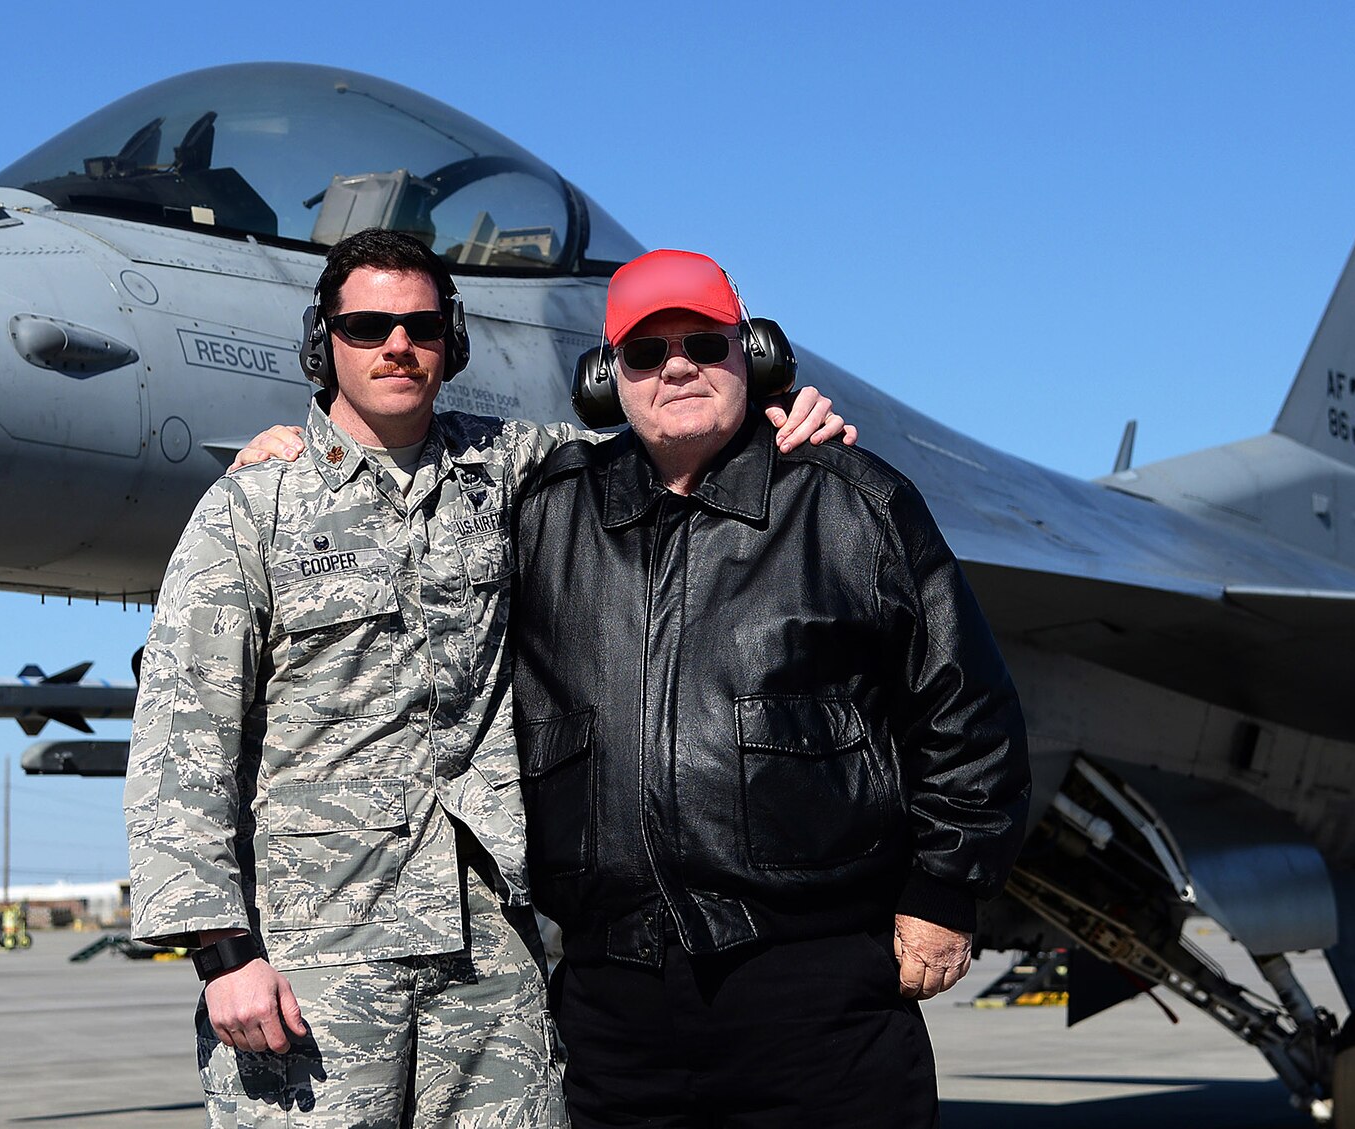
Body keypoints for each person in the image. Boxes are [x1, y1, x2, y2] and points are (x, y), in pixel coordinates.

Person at [126, 229, 852, 1129]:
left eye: (422, 327)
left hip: (489, 951)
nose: (398, 346)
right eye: (367, 326)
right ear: (325, 344)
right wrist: (221, 952)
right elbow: (182, 737)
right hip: (316, 956)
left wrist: (775, 418)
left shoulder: (513, 468)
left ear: (451, 341)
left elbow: (659, 440)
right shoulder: (252, 509)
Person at [510, 249, 1032, 1128]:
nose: (676, 365)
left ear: (750, 354)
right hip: (613, 1010)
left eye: (703, 343)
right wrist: (300, 443)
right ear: (607, 378)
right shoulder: (546, 513)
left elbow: (966, 708)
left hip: (816, 994)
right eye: (646, 352)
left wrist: (946, 889)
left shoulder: (851, 504)